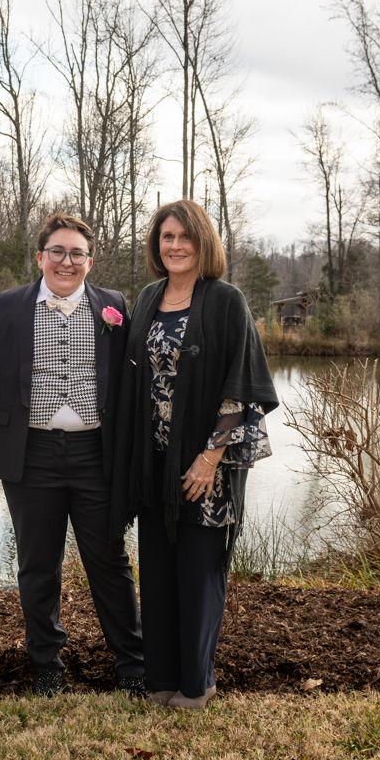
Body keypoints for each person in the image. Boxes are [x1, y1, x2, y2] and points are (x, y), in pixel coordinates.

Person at [115, 200, 278, 710]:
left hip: (207, 465)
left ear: (203, 242)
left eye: (185, 237)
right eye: (167, 237)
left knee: (199, 574)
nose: (175, 246)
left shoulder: (225, 301)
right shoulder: (148, 298)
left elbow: (241, 385)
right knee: (158, 573)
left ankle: (196, 684)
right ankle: (161, 678)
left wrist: (211, 457)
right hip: (155, 465)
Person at [0, 212, 146, 696]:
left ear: (90, 262)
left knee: (110, 561)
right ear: (41, 257)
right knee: (37, 565)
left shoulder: (113, 305)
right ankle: (46, 665)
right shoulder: (9, 306)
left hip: (96, 454)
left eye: (77, 254)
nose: (67, 261)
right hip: (30, 453)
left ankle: (133, 665)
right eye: (57, 251)